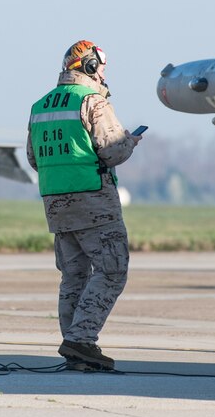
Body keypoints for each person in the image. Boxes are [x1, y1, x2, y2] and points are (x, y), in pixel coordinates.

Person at [26, 40, 142, 371]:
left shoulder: (40, 106)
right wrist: (130, 141)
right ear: (89, 67)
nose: (104, 75)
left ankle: (75, 347)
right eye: (101, 68)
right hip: (94, 201)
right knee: (112, 268)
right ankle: (81, 339)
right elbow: (113, 151)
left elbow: (34, 158)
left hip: (56, 205)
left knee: (74, 275)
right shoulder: (93, 102)